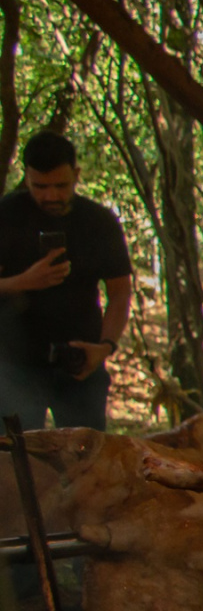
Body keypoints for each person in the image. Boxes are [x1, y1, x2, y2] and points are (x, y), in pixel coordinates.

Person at [0, 131, 132, 431]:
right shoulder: (7, 214)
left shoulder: (99, 223)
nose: (51, 196)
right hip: (14, 365)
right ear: (27, 177)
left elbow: (120, 294)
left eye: (61, 185)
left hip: (79, 364)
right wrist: (22, 282)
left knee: (85, 462)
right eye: (40, 187)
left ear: (76, 174)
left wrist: (105, 347)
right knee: (14, 462)